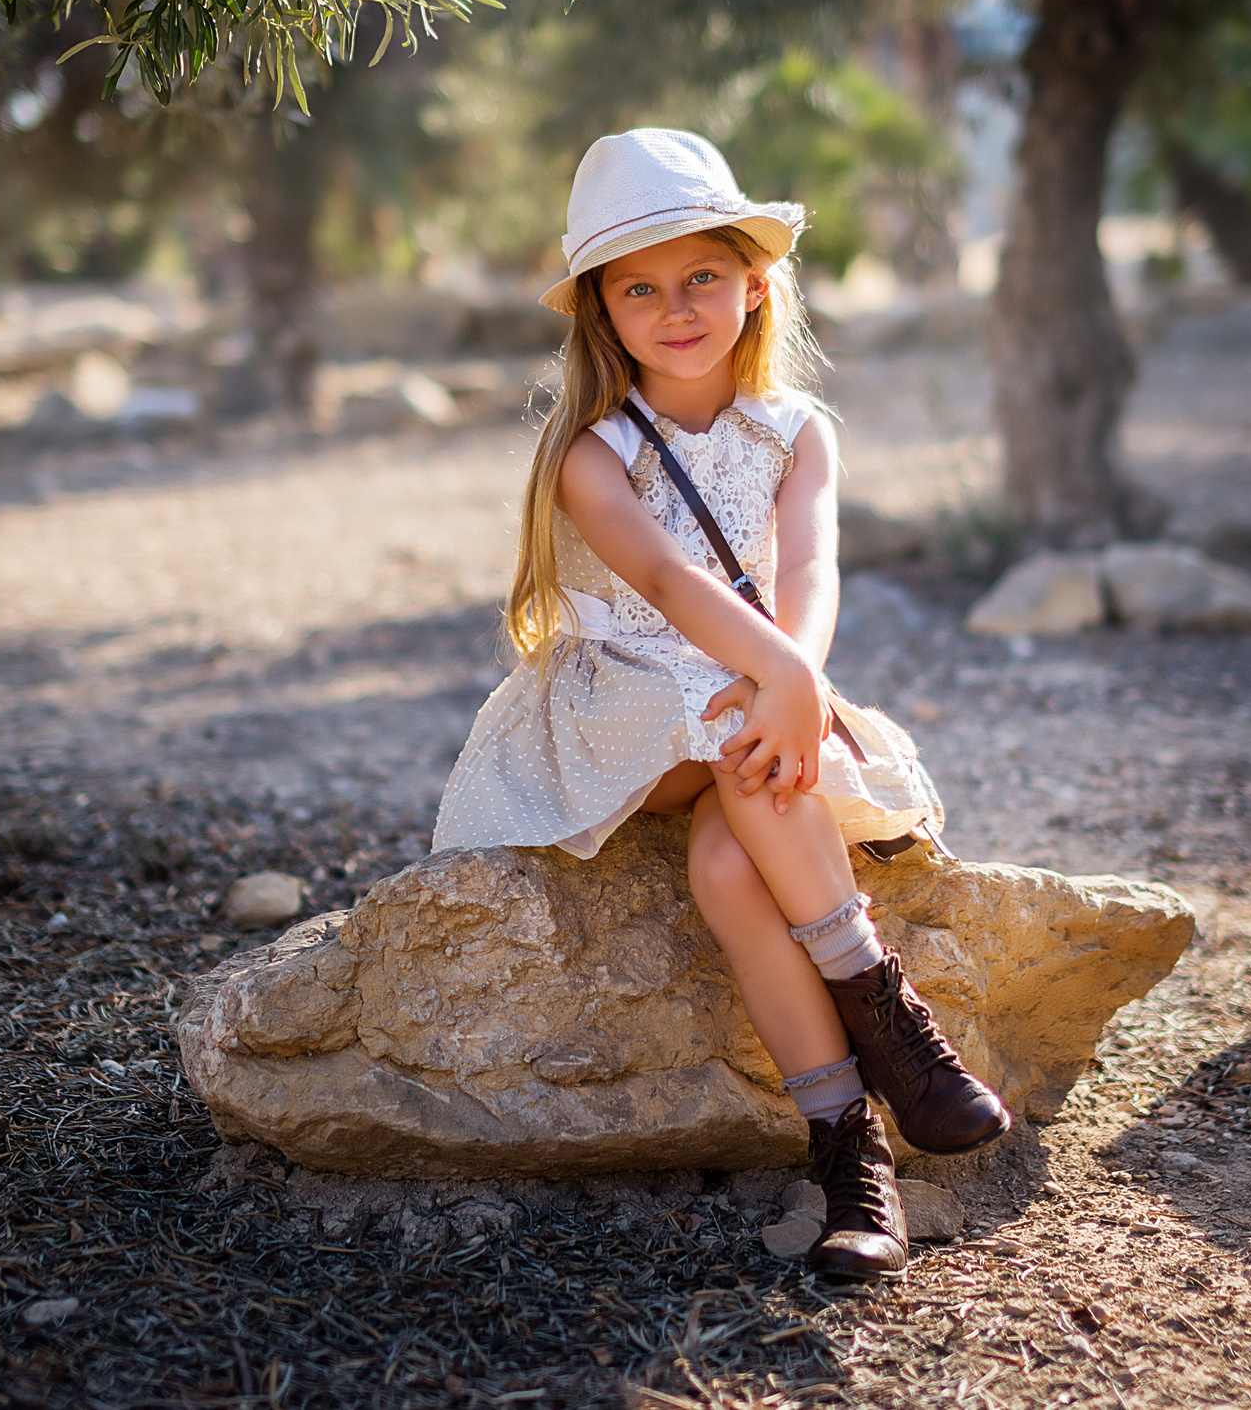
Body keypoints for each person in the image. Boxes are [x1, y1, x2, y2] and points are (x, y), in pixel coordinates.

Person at [432, 128, 1010, 1280]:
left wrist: (796, 669)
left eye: (702, 275)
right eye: (639, 287)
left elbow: (810, 569)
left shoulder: (798, 433)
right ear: (602, 312)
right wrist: (784, 683)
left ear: (755, 285)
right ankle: (891, 1021)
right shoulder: (589, 455)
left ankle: (850, 1156)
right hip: (620, 718)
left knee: (731, 869)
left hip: (748, 706)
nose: (676, 305)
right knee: (722, 708)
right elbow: (666, 583)